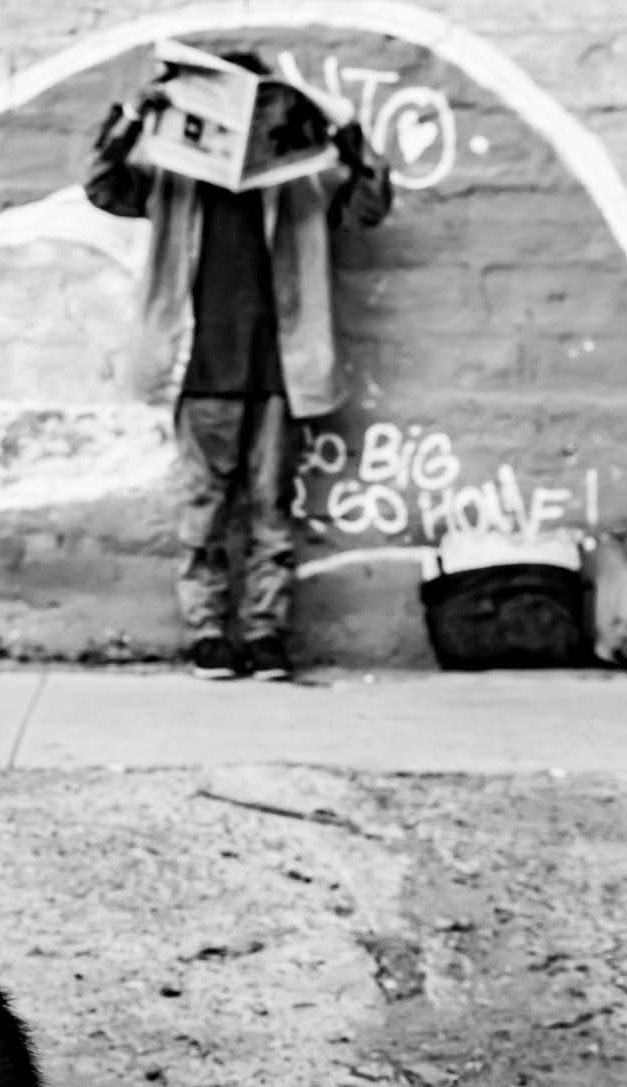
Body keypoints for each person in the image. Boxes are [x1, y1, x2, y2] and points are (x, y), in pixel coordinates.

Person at [84, 48, 392, 681]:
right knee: (204, 511)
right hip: (200, 373)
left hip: (283, 375)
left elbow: (368, 206)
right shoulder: (174, 181)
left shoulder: (300, 181)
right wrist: (136, 113)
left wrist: (344, 130)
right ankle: (206, 633)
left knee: (273, 510)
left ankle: (265, 635)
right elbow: (102, 185)